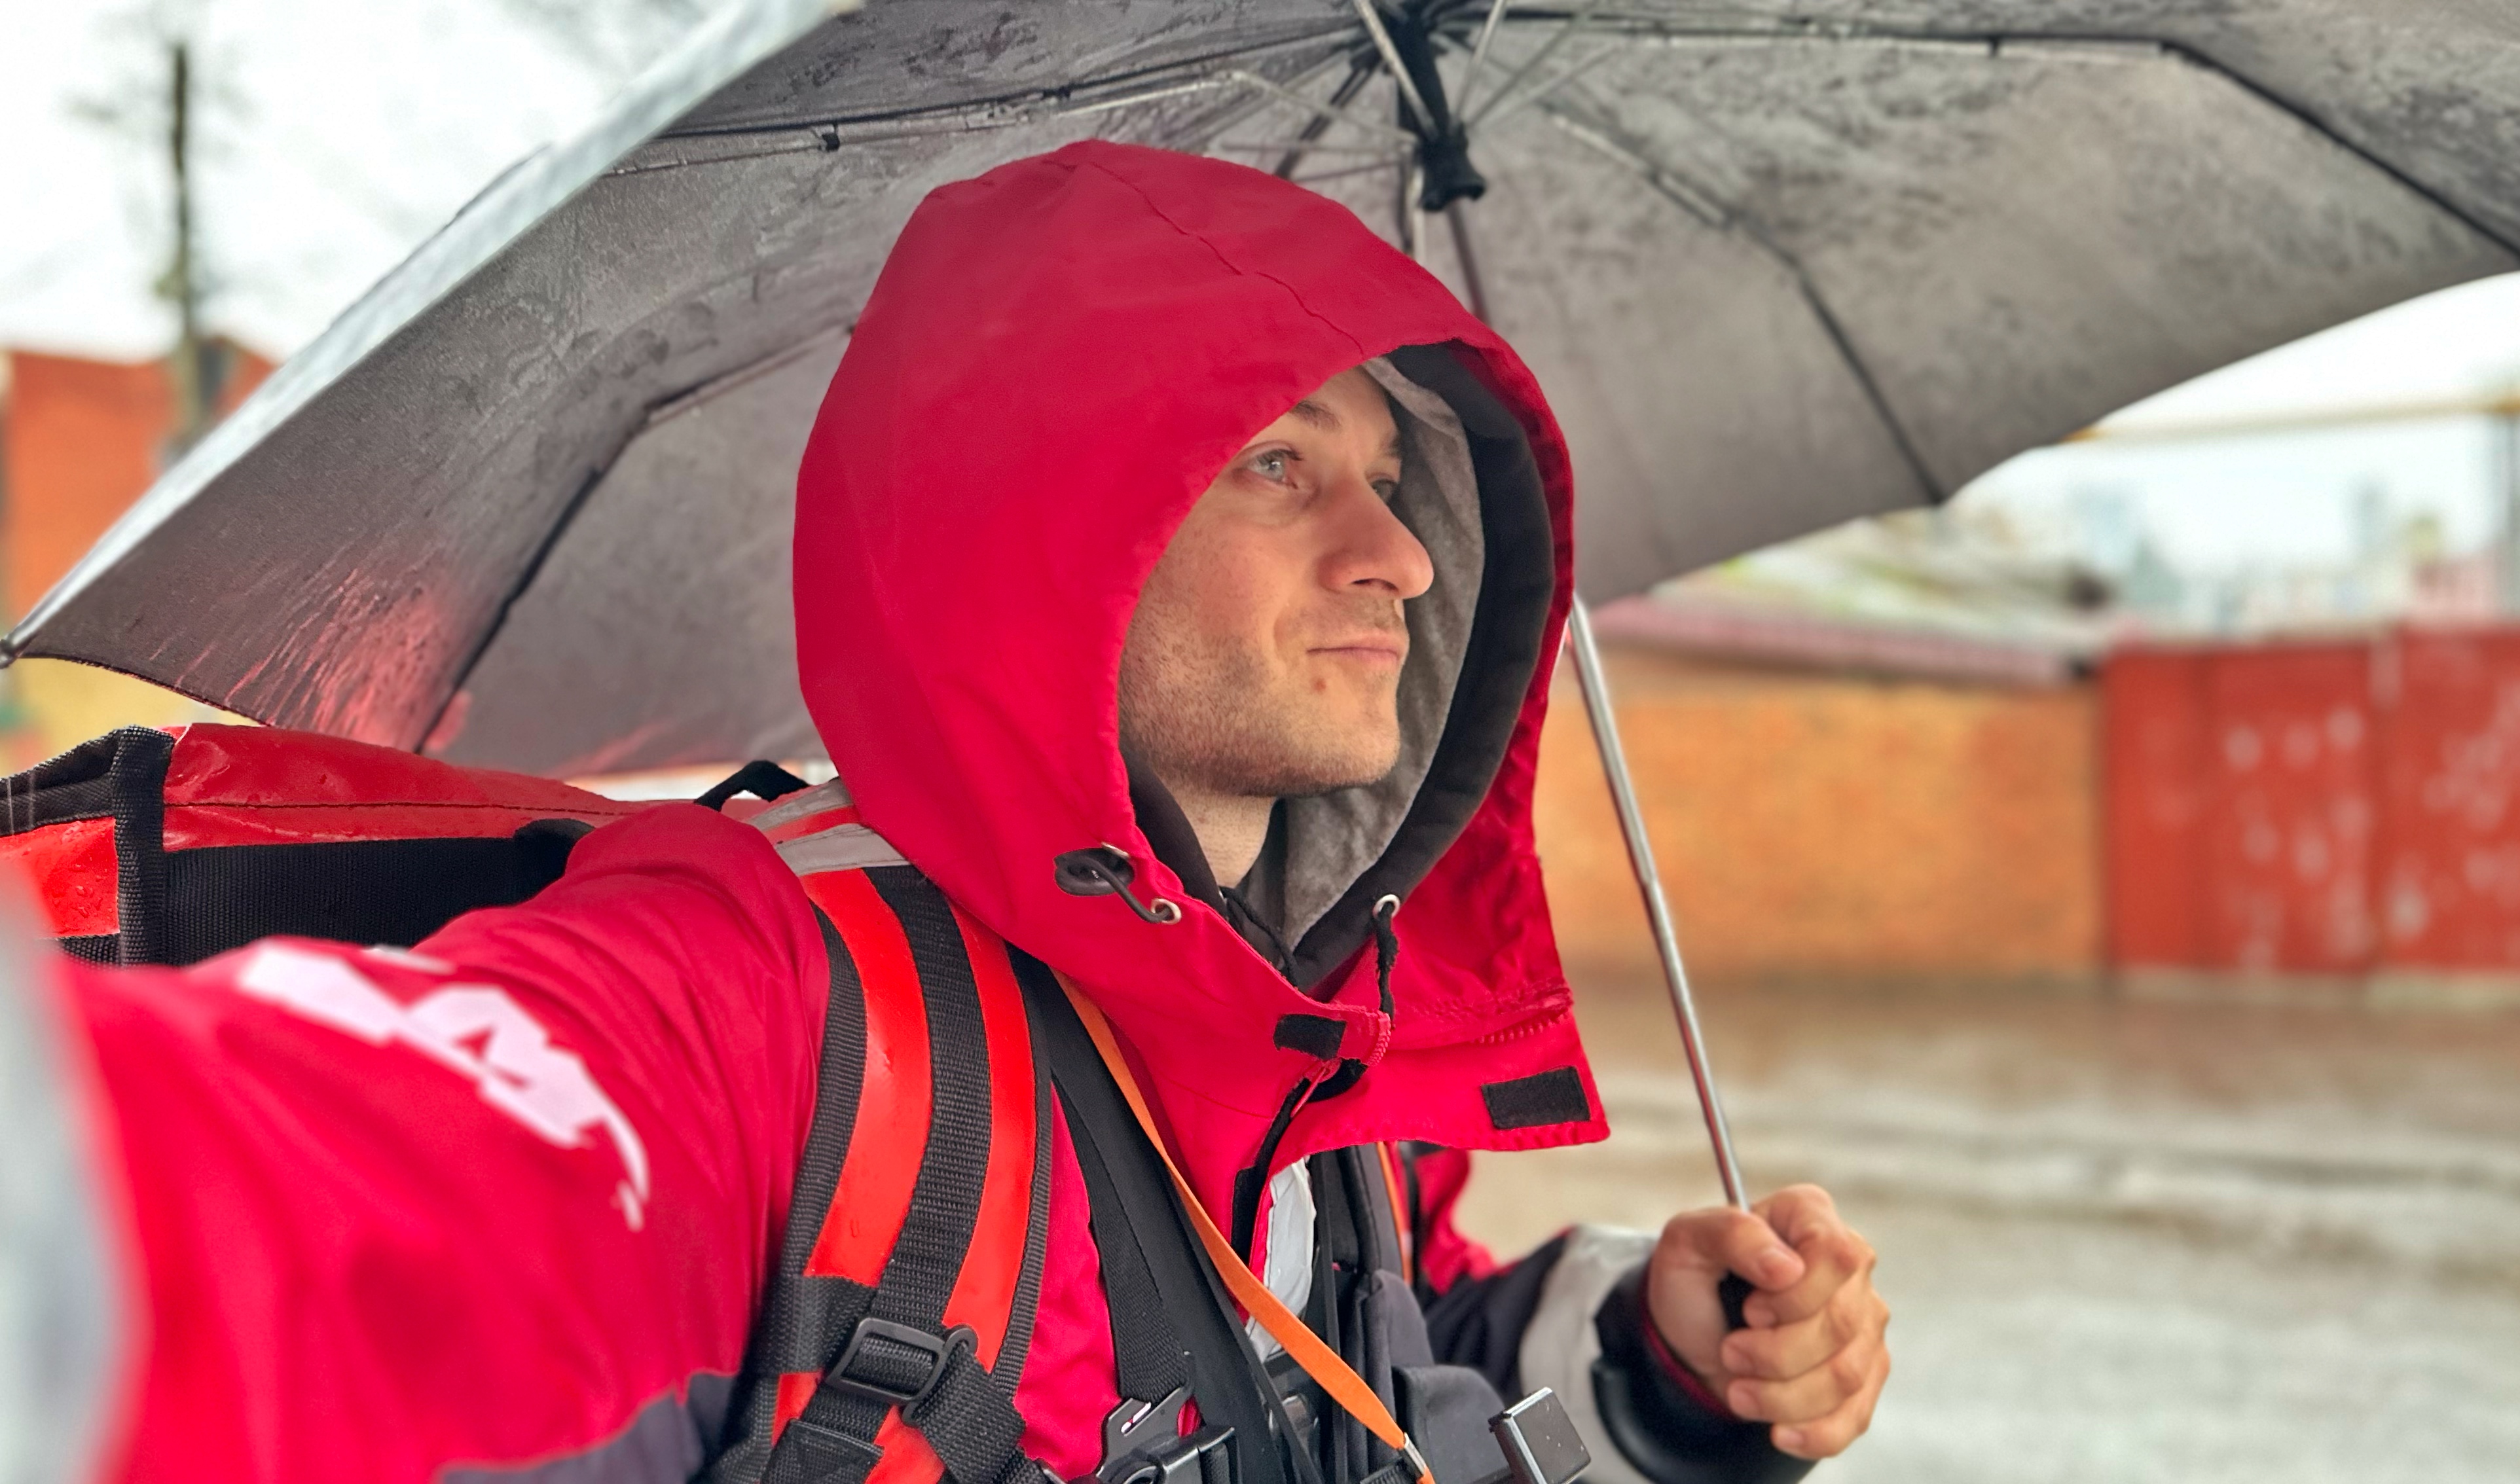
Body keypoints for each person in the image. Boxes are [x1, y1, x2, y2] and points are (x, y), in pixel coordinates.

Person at [39, 141, 1888, 1483]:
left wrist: (1661, 1370)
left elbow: (1383, 1380)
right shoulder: (764, 998)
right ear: (1053, 533)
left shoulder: (1311, 1068)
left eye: (1394, 477)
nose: (1398, 555)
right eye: (1279, 465)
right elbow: (311, 1201)